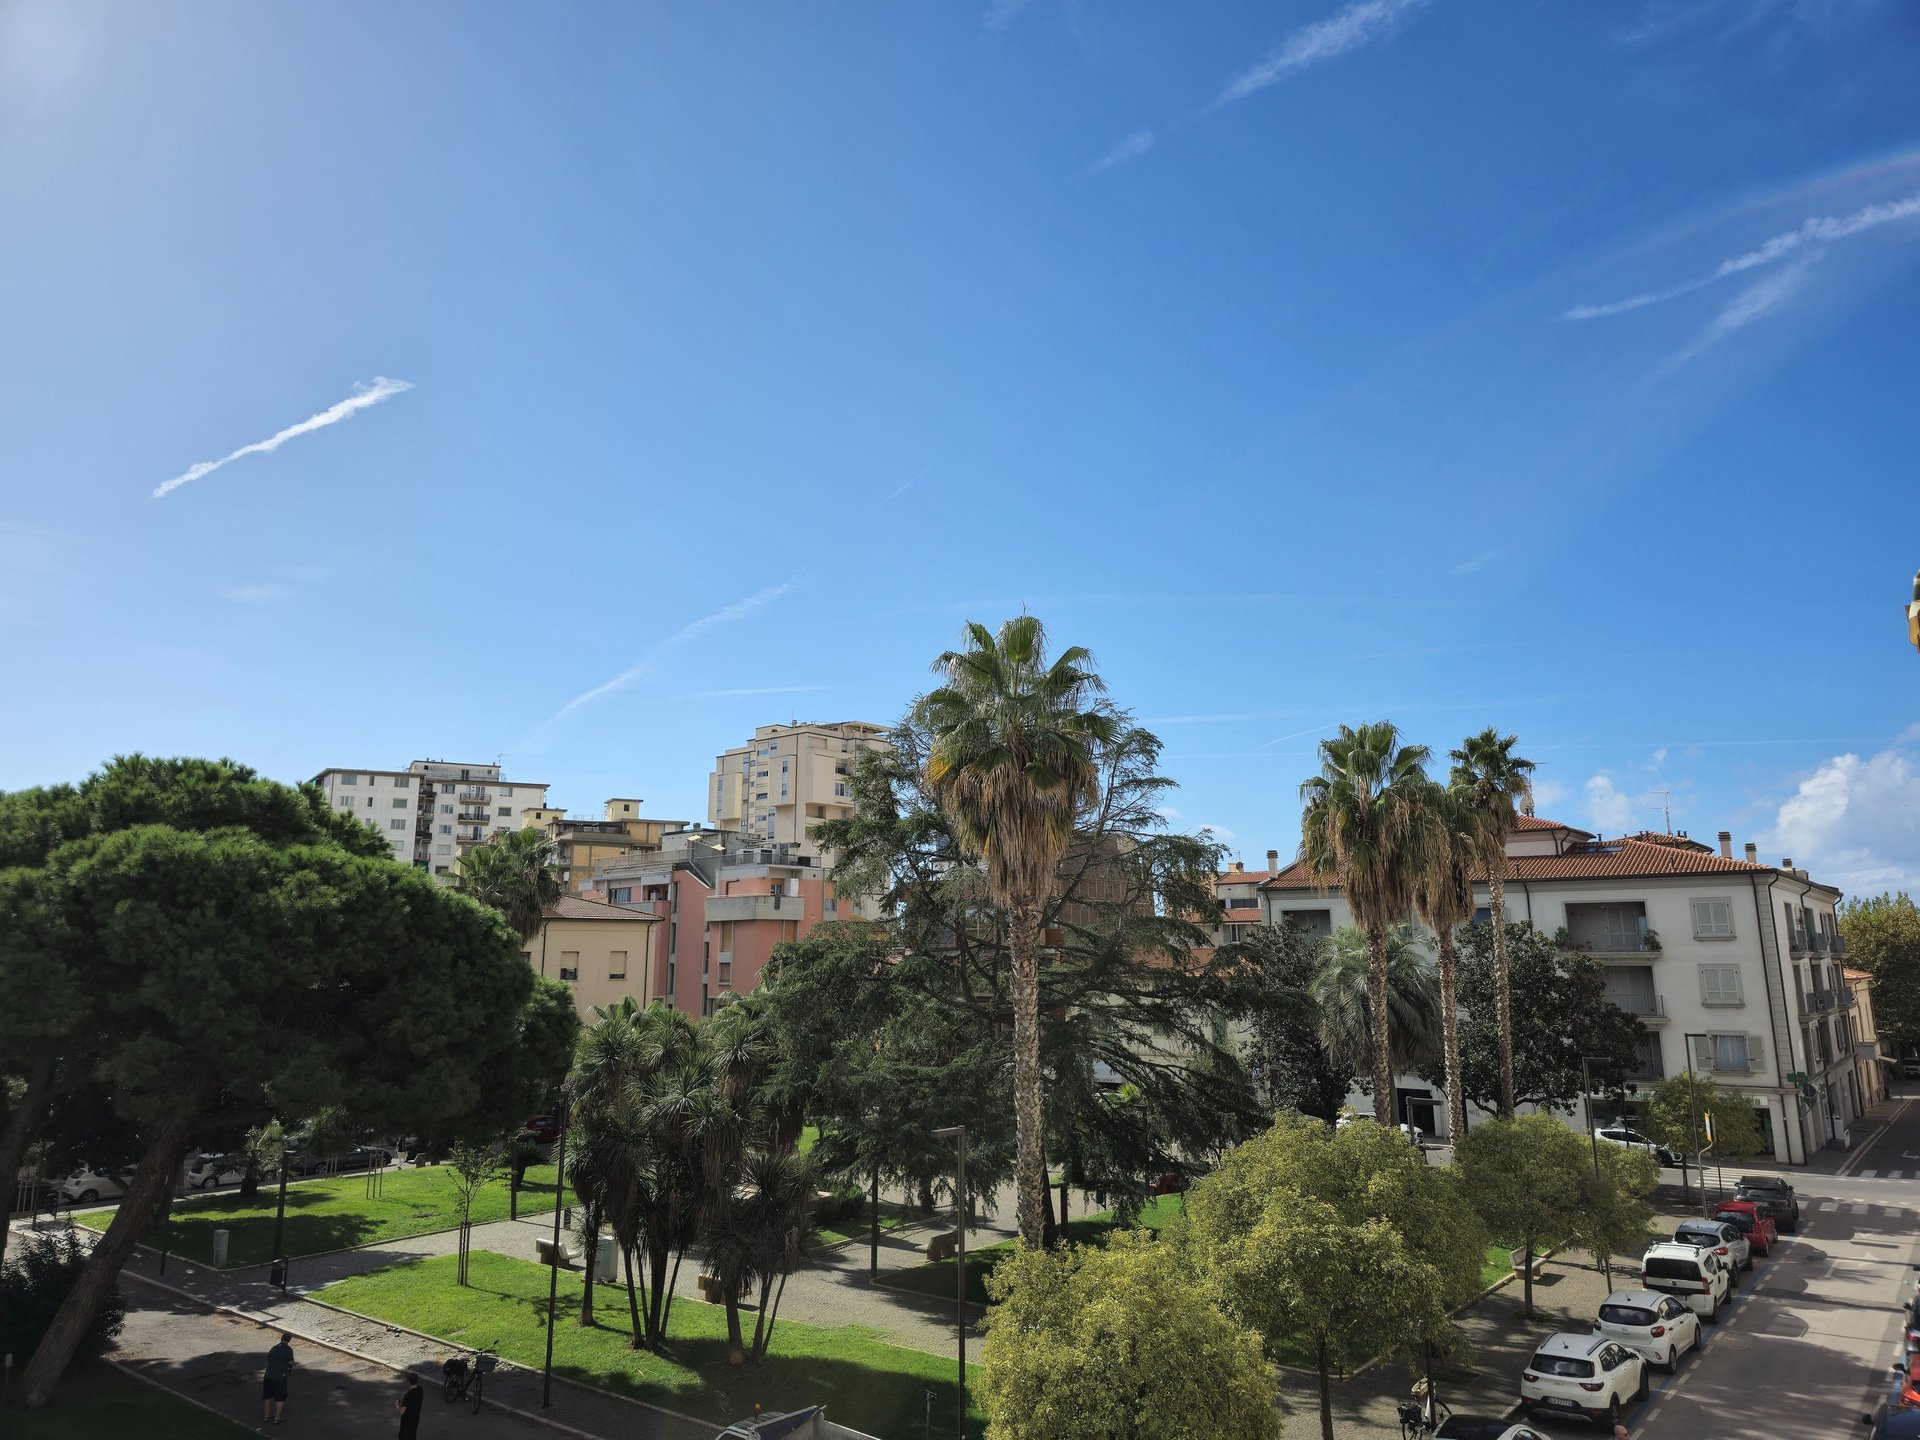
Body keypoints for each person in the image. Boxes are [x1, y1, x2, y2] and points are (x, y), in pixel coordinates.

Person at [260, 1332, 294, 1426]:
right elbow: (290, 1362)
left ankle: (266, 1417)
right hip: (279, 1377)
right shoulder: (288, 1349)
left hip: (268, 1375)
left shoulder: (274, 1348)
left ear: (281, 1338)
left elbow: (268, 1359)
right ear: (289, 1340)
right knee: (280, 1397)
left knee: (267, 1396)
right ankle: (277, 1418)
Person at [396, 1371, 423, 1439]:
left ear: (408, 1381)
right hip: (415, 1420)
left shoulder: (408, 1396)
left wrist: (397, 1405)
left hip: (407, 1423)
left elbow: (401, 1411)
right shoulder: (420, 1390)